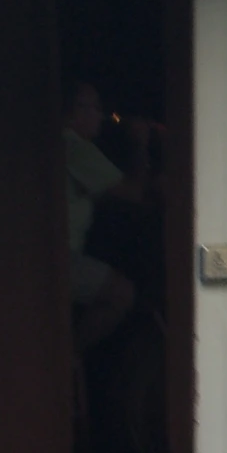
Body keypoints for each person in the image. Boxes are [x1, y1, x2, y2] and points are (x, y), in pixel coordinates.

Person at [63, 80, 138, 352]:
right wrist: (138, 143)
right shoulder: (75, 146)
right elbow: (133, 193)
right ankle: (67, 357)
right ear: (72, 112)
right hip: (61, 258)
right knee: (121, 294)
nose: (101, 116)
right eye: (93, 107)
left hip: (67, 253)